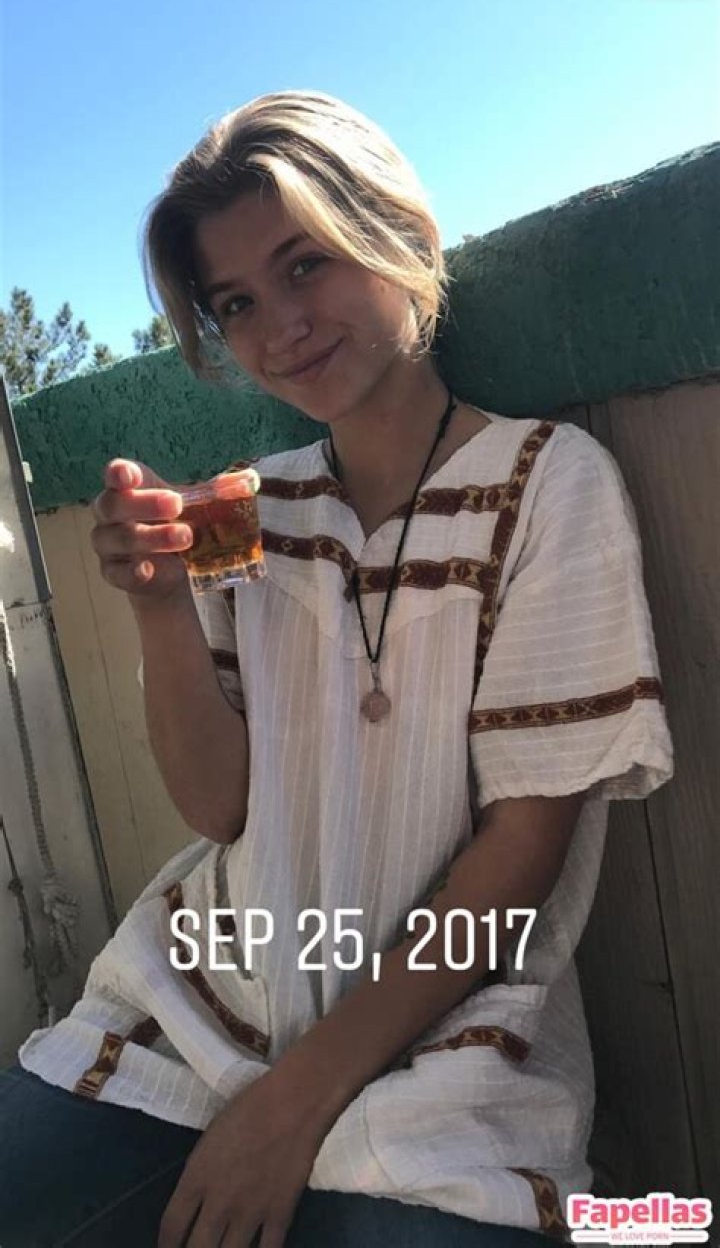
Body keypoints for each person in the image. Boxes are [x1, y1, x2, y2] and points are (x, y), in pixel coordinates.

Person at [0, 90, 674, 1248]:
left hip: (447, 1042)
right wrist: (159, 609)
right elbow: (220, 807)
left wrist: (291, 1104)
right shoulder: (251, 509)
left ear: (398, 235)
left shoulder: (547, 484)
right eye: (236, 304)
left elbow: (520, 857)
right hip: (194, 1010)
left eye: (305, 265)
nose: (280, 330)